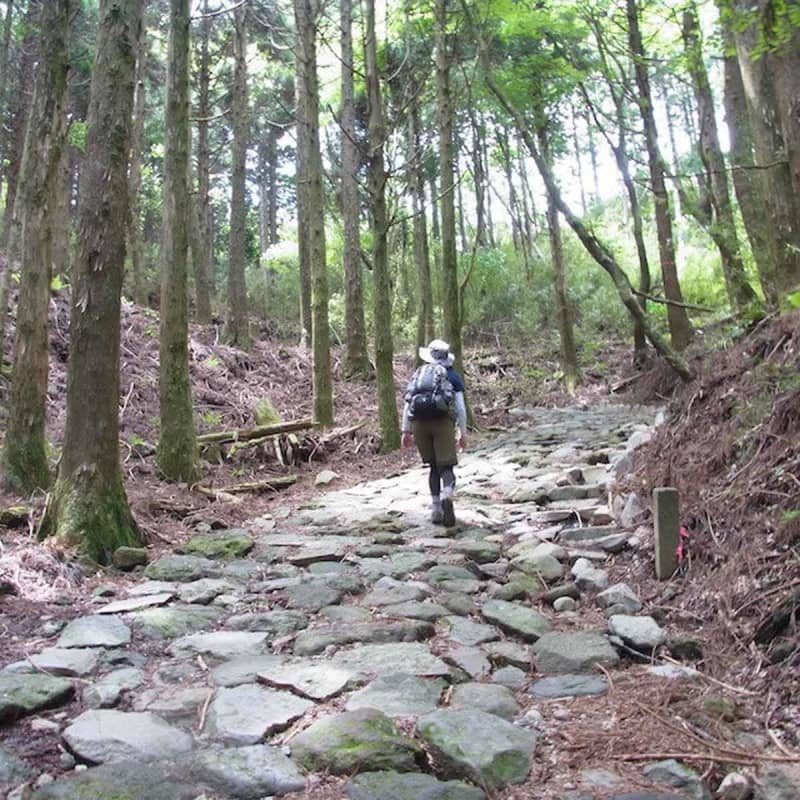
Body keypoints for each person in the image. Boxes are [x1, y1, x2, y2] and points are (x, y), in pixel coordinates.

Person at [401, 339, 467, 526]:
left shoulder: (419, 374)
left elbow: (407, 405)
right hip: (443, 423)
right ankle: (447, 494)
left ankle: (436, 508)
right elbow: (461, 409)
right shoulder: (452, 376)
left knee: (433, 468)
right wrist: (463, 433)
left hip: (419, 424)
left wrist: (405, 431)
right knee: (446, 467)